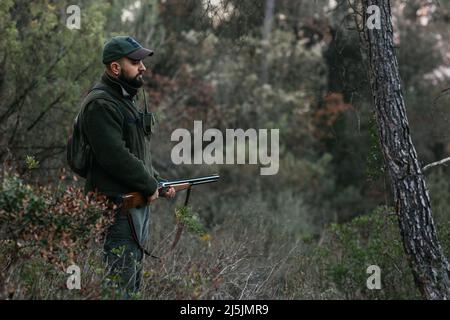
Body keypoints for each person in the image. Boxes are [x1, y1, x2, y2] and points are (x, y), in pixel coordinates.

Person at [79, 36, 175, 298]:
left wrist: (157, 182)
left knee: (131, 286)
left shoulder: (124, 100)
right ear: (115, 68)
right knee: (119, 287)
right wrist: (148, 184)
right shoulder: (101, 103)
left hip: (135, 205)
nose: (142, 67)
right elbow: (114, 156)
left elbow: (137, 154)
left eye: (141, 61)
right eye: (135, 62)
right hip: (118, 209)